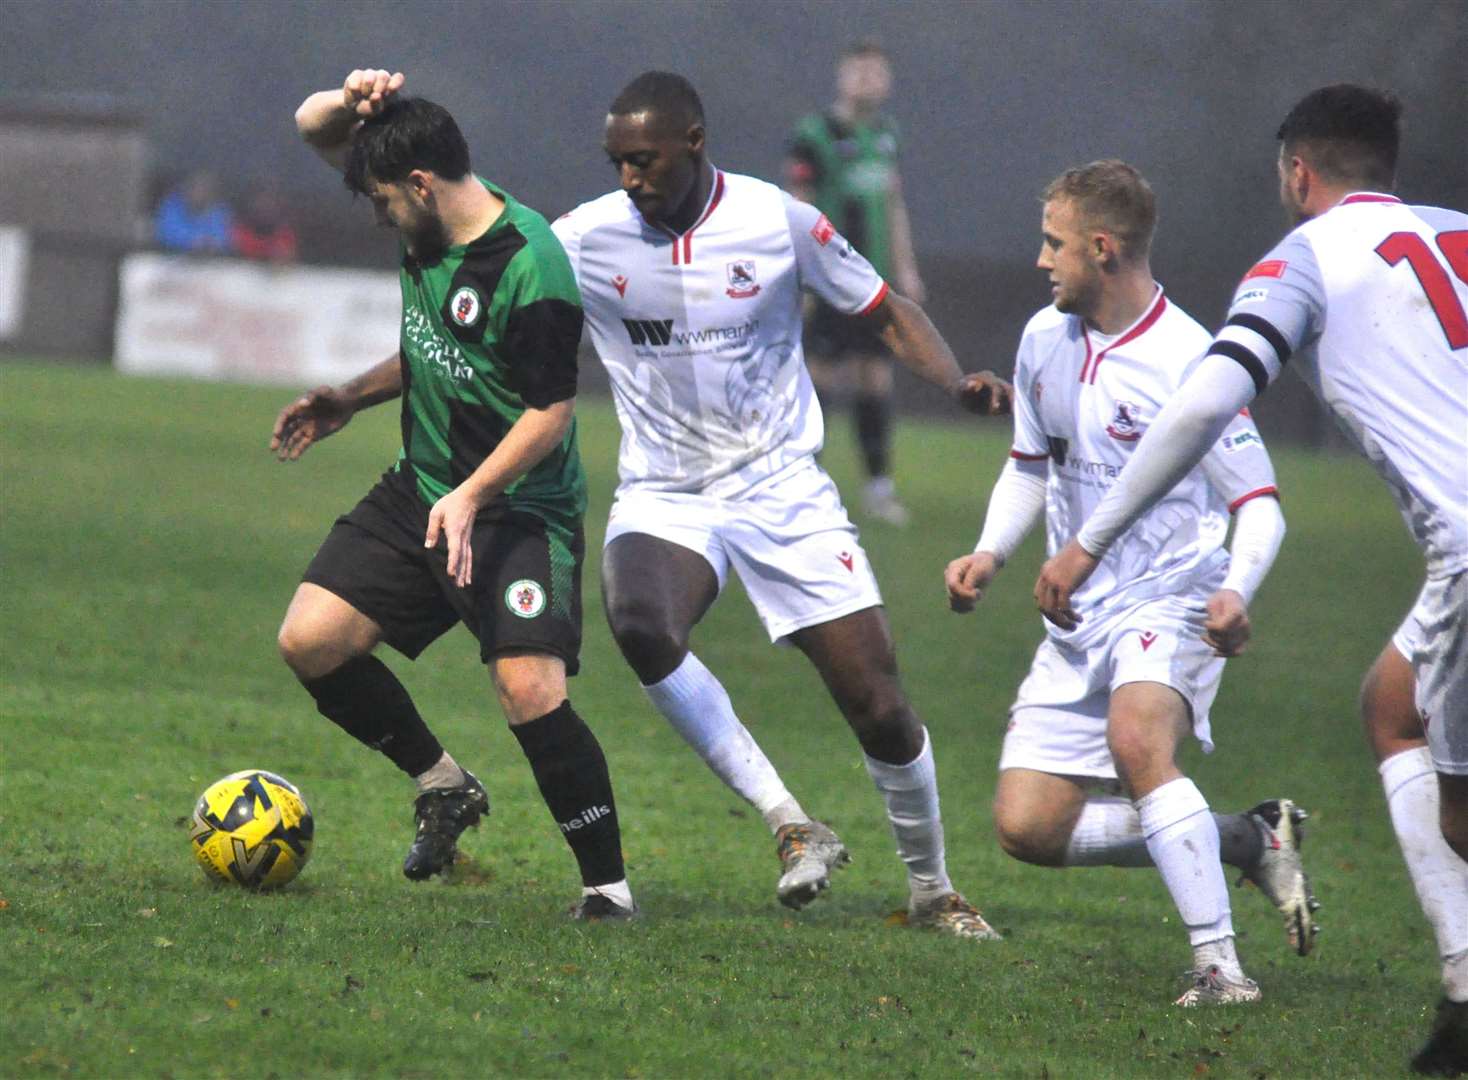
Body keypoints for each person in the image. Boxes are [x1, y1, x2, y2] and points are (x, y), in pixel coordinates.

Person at [1033, 87, 1466, 1070]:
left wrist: (1088, 541)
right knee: (1392, 705)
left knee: (1428, 767)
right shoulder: (1456, 230)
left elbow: (1199, 409)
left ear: (1297, 174)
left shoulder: (1301, 260)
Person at [551, 71, 1010, 937]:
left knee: (875, 700)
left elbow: (884, 308)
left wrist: (955, 383)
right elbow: (484, 294)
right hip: (664, 492)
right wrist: (354, 392)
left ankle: (933, 888)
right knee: (641, 624)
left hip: (780, 487)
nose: (628, 179)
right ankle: (791, 822)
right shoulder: (583, 238)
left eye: (643, 160)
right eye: (615, 163)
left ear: (693, 141)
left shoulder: (777, 220)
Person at [943, 160, 1315, 1006]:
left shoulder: (1193, 361)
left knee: (1138, 741)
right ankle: (1247, 839)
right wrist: (990, 553)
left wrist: (1238, 591)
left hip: (1173, 595)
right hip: (1078, 614)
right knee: (1028, 828)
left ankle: (1221, 970)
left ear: (1102, 249)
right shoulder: (1044, 338)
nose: (1042, 261)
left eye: (1054, 243)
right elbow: (1030, 467)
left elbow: (1261, 505)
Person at [271, 69, 635, 920]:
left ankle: (608, 890)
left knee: (530, 692)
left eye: (385, 203)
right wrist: (348, 399)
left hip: (518, 509)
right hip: (423, 491)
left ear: (422, 185)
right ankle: (445, 787)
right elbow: (312, 124)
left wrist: (472, 494)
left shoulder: (532, 265)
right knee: (311, 640)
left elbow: (549, 413)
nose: (379, 217)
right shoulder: (427, 222)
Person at [786, 40, 925, 526]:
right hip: (827, 280)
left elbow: (893, 203)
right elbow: (796, 205)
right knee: (820, 375)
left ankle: (878, 488)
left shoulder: (886, 135)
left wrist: (905, 267)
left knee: (875, 376)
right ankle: (805, 486)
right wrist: (798, 275)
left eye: (877, 72)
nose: (869, 80)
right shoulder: (816, 134)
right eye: (859, 71)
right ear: (842, 76)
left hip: (876, 282)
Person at [154, 170, 234, 253]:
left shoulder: (219, 211)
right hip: (171, 259)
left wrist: (213, 243)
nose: (201, 192)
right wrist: (191, 241)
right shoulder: (171, 207)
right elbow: (166, 234)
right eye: (196, 186)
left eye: (205, 188)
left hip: (213, 262)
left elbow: (225, 238)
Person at [233, 184, 299, 262]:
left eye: (269, 202)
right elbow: (238, 249)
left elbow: (288, 254)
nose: (265, 205)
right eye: (261, 201)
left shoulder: (284, 231)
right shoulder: (242, 227)